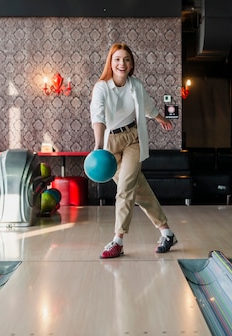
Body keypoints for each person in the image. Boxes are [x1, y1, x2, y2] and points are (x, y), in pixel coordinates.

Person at [89, 43, 176, 259]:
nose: (122, 63)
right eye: (117, 59)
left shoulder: (135, 85)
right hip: (110, 143)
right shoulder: (101, 87)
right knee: (138, 189)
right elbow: (98, 117)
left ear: (131, 64)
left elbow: (147, 107)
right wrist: (99, 146)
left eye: (126, 59)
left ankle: (118, 240)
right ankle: (167, 232)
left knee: (125, 188)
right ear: (111, 62)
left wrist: (161, 119)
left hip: (133, 140)